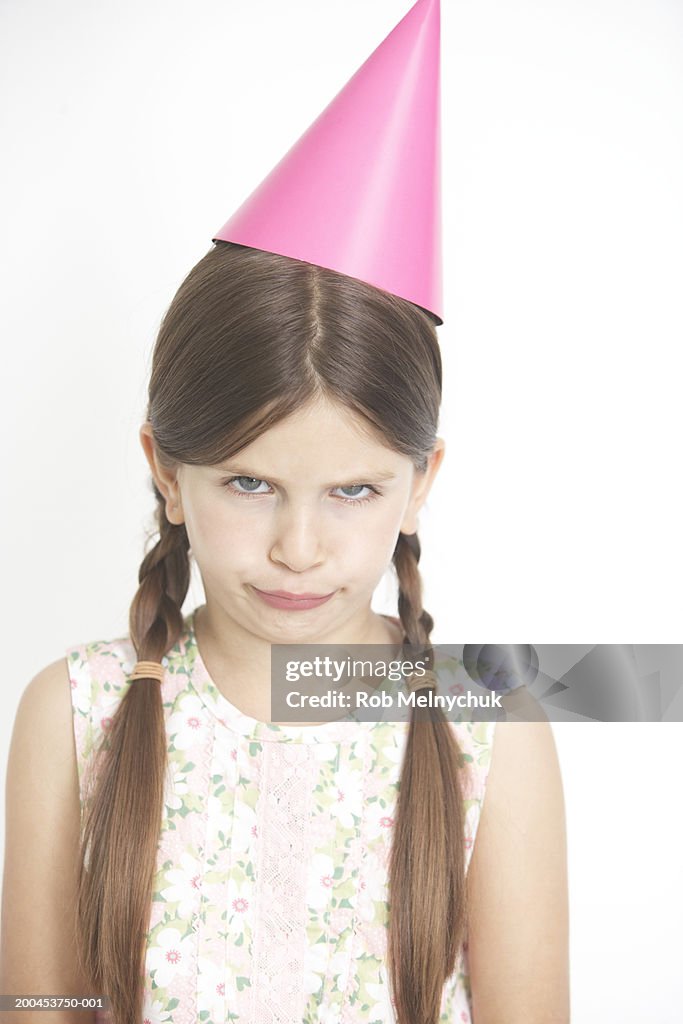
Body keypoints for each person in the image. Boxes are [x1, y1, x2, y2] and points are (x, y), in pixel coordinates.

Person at [0, 3, 569, 1023]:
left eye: (352, 490)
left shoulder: (491, 727)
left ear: (419, 483)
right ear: (165, 473)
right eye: (247, 482)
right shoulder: (70, 714)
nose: (298, 548)